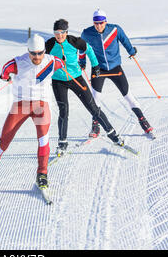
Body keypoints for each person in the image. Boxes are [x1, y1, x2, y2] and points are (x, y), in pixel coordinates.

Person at [0, 34, 65, 192]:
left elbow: (62, 63)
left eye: (40, 53)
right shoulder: (18, 63)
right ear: (28, 51)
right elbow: (5, 71)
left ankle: (42, 174)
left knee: (43, 139)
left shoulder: (52, 61)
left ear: (44, 51)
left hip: (41, 105)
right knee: (2, 144)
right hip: (21, 105)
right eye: (33, 53)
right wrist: (5, 77)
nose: (37, 57)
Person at [46, 19, 125, 156]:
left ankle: (113, 135)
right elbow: (39, 59)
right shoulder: (49, 44)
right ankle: (62, 143)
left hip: (76, 78)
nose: (60, 36)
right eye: (57, 33)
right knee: (63, 111)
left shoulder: (74, 41)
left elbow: (89, 49)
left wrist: (95, 66)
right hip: (58, 81)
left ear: (66, 32)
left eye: (62, 32)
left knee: (93, 107)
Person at [79, 9, 153, 138]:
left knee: (128, 95)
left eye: (101, 23)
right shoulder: (87, 33)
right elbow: (82, 48)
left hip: (115, 68)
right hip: (98, 69)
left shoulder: (115, 29)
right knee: (95, 98)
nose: (98, 25)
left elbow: (124, 40)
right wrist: (82, 61)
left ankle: (143, 120)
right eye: (96, 23)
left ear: (105, 21)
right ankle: (95, 125)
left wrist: (131, 51)